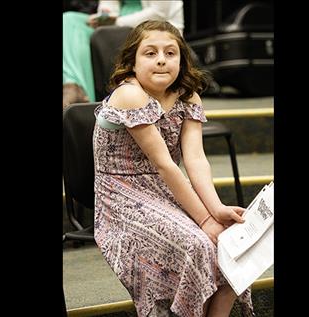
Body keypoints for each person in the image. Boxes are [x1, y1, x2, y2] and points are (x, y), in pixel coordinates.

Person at [93, 20, 254, 317]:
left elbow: (194, 159)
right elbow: (165, 164)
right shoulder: (130, 94)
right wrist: (205, 220)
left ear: (182, 59)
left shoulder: (188, 95)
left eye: (170, 53)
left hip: (164, 189)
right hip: (123, 194)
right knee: (198, 244)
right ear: (132, 62)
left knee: (232, 248)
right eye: (150, 53)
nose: (161, 60)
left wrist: (216, 209)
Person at [63, 0, 184, 108]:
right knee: (69, 20)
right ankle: (76, 87)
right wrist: (104, 16)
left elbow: (159, 14)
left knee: (106, 35)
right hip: (115, 24)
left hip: (152, 28)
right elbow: (108, 6)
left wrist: (116, 22)